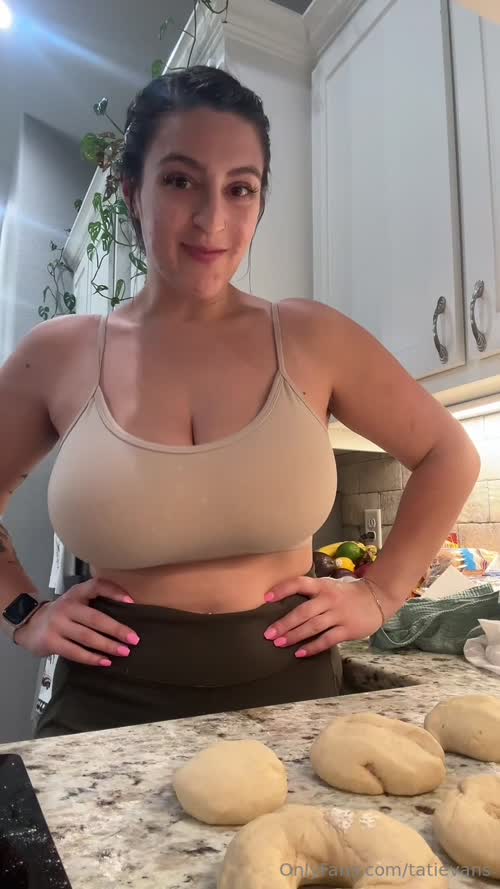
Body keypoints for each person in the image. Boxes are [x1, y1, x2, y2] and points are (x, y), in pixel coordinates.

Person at [0, 67, 480, 738]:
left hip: (295, 709)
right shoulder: (58, 353)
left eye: (240, 188)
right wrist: (24, 611)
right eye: (180, 181)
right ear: (133, 191)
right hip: (106, 718)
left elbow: (448, 453)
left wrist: (381, 591)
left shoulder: (313, 338)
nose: (212, 219)